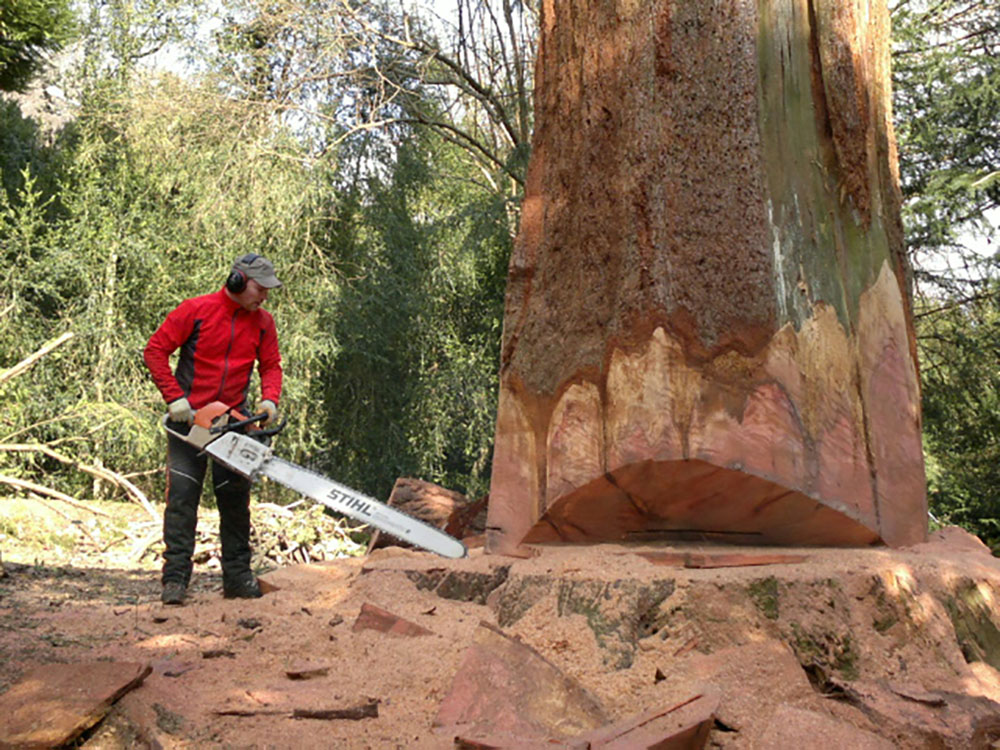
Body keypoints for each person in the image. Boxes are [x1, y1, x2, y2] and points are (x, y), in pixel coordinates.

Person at [143, 253, 283, 605]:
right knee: (182, 500)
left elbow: (270, 366)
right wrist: (175, 397)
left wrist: (269, 401)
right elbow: (155, 350)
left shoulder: (264, 322)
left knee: (235, 502)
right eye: (259, 287)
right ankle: (174, 580)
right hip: (189, 424)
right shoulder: (196, 311)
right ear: (237, 280)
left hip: (234, 424)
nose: (264, 295)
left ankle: (237, 578)